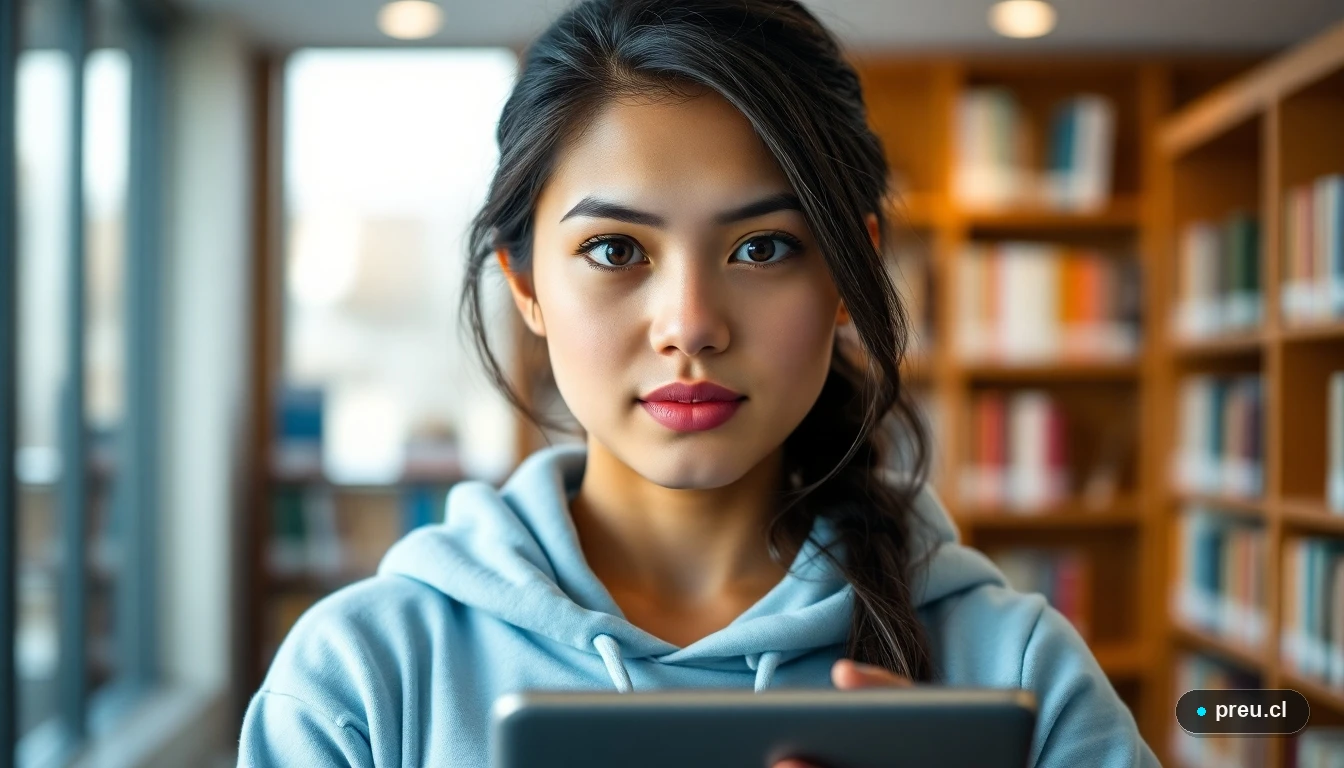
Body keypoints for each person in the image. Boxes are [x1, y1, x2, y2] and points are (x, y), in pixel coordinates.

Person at [238, 0, 1161, 765]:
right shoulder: (362, 679)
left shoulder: (1019, 672)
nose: (691, 324)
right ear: (525, 284)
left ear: (849, 273)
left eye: (763, 247)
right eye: (614, 249)